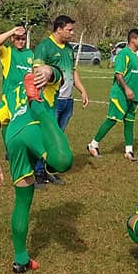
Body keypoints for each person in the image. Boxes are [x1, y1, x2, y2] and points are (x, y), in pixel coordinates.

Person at [0, 65, 74, 273]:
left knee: (23, 199)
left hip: (13, 136)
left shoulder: (10, 94)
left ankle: (21, 259)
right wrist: (49, 72)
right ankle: (37, 105)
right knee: (63, 161)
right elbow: (57, 76)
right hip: (33, 125)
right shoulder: (43, 83)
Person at [32, 15, 89, 186]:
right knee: (47, 137)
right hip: (50, 102)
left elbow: (72, 71)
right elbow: (37, 72)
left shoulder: (69, 49)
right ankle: (38, 172)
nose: (72, 33)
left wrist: (82, 90)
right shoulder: (44, 47)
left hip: (67, 100)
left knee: (59, 138)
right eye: (69, 30)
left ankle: (50, 170)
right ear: (59, 29)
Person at [87, 28, 138, 161]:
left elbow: (134, 78)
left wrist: (137, 96)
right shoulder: (124, 54)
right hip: (120, 95)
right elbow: (118, 74)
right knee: (112, 119)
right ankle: (93, 145)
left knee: (129, 123)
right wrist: (127, 89)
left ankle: (129, 151)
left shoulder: (134, 56)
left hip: (132, 97)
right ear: (133, 39)